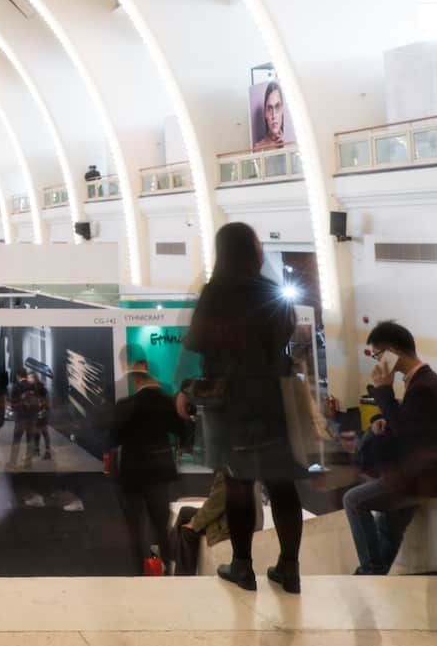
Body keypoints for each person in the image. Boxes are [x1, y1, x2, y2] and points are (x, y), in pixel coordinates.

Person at [182, 221, 305, 594]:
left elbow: (198, 342)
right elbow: (286, 335)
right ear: (253, 251)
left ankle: (242, 566)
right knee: (282, 482)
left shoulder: (215, 292)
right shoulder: (271, 292)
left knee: (238, 481)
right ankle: (289, 567)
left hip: (231, 400)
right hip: (272, 397)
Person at [344, 321, 437, 575]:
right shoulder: (423, 381)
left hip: (425, 473)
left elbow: (406, 433)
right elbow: (412, 426)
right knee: (388, 522)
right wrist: (386, 418)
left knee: (353, 501)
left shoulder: (424, 385)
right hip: (425, 469)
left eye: (378, 354)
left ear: (391, 351)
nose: (377, 361)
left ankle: (371, 571)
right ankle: (378, 572)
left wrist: (383, 391)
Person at [110, 363, 184, 575]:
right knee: (161, 524)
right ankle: (168, 568)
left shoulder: (125, 405)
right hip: (160, 471)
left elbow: (115, 437)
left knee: (135, 528)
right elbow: (181, 430)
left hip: (133, 472)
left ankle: (139, 570)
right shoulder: (166, 402)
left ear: (135, 381)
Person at [253, 80, 287, 150]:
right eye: (270, 108)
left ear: (282, 110)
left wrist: (285, 148)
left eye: (277, 107)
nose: (273, 115)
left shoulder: (291, 145)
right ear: (265, 113)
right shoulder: (258, 148)